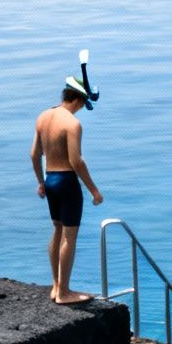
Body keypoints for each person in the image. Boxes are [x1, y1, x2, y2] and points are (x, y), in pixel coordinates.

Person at [30, 76, 103, 305]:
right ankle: (64, 293)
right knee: (69, 238)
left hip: (51, 179)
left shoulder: (43, 116)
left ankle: (55, 286)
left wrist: (41, 182)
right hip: (67, 182)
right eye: (83, 104)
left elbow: (34, 154)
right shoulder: (72, 124)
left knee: (57, 231)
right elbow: (76, 161)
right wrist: (94, 191)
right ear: (79, 100)